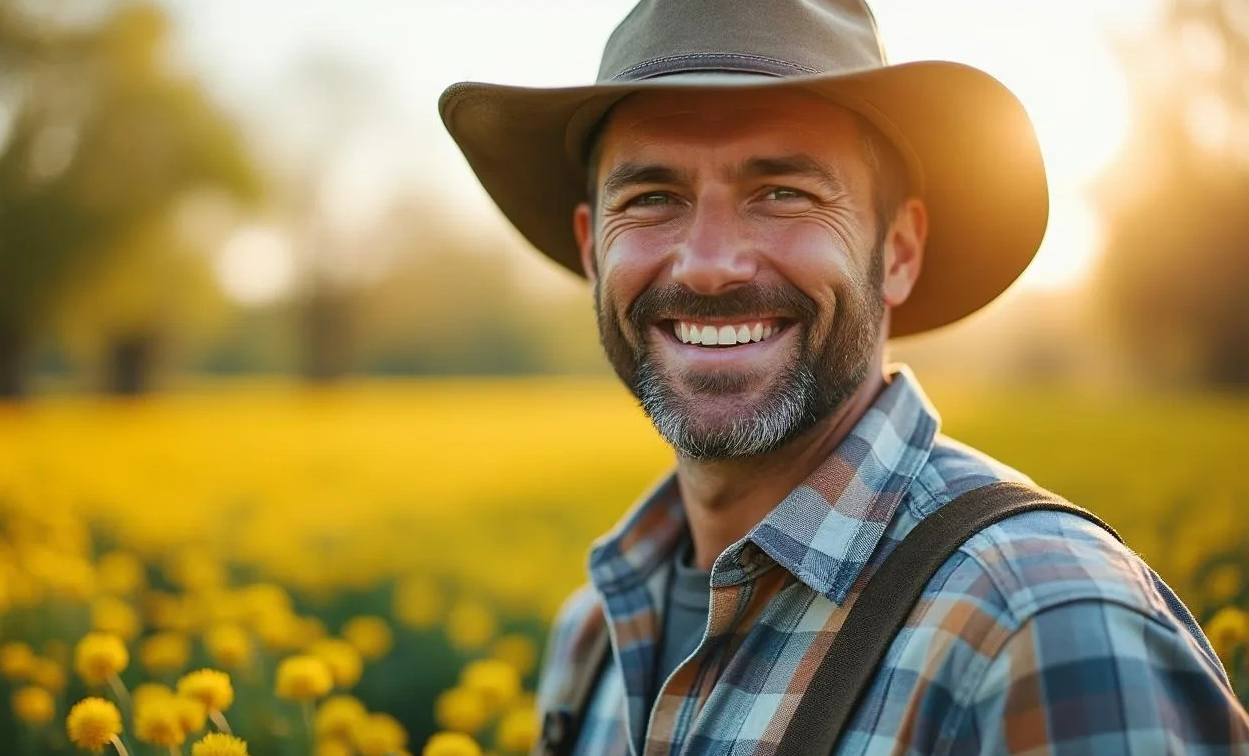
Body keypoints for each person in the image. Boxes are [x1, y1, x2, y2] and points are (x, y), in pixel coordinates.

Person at [440, 0, 1249, 753]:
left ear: (896, 250)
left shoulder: (1044, 622)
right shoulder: (590, 637)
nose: (711, 264)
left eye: (782, 193)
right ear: (593, 250)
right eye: (651, 198)